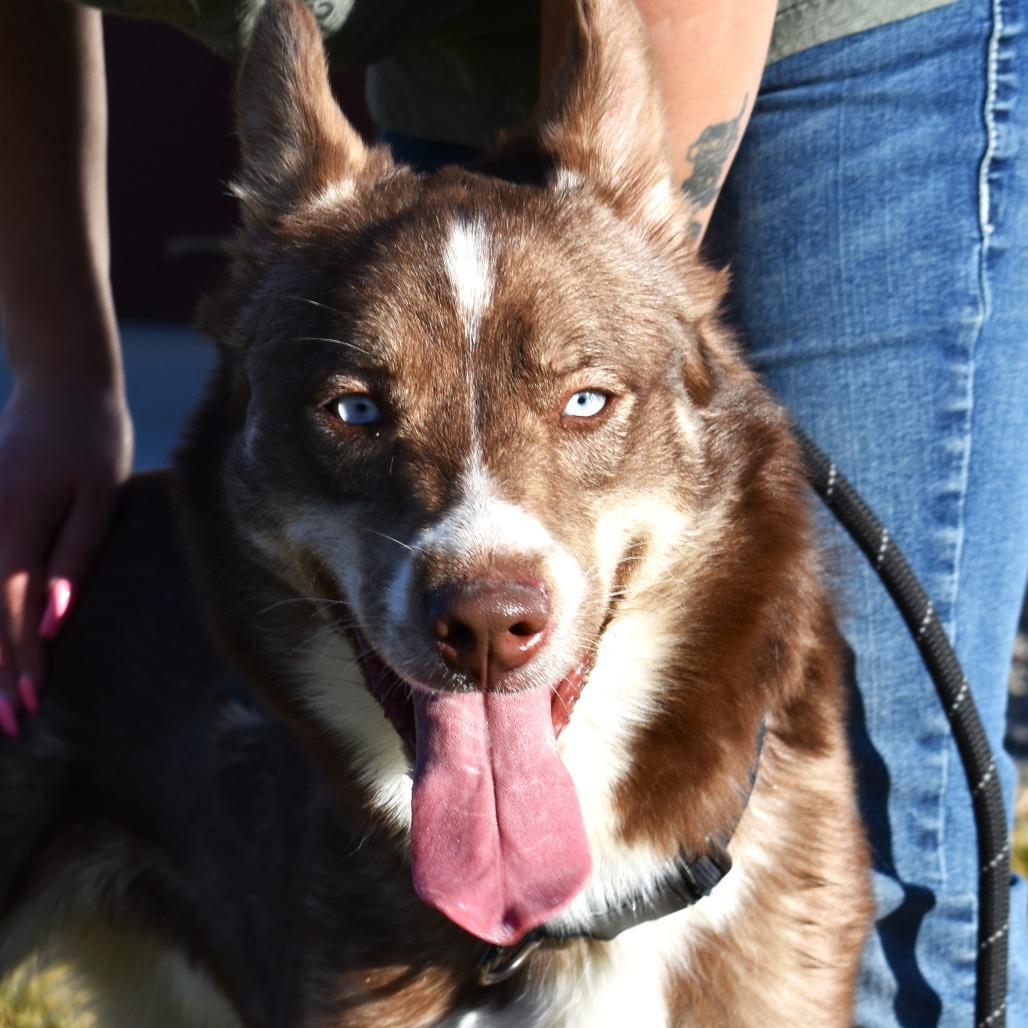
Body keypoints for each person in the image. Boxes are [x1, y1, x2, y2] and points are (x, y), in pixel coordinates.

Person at [1, 1, 1025, 1023]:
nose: (480, 567)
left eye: (585, 401)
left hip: (821, 43)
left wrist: (619, 267)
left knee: (899, 856)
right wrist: (58, 371)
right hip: (441, 49)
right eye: (354, 414)